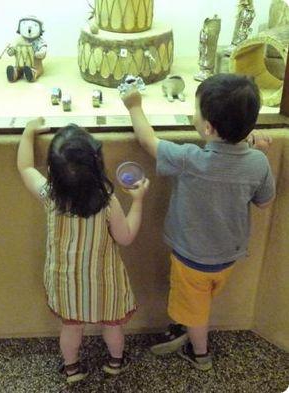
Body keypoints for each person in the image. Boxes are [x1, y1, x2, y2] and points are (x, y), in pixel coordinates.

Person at [121, 73, 275, 371]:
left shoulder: (189, 159)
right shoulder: (258, 163)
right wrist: (251, 147)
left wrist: (134, 106)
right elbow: (265, 201)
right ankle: (187, 322)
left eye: (196, 111)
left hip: (192, 261)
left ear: (207, 127)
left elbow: (147, 140)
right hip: (228, 257)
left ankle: (199, 353)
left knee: (196, 311)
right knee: (200, 300)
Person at [17, 118, 149, 384]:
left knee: (71, 327)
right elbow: (125, 237)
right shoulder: (108, 202)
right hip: (105, 283)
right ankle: (115, 362)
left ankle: (72, 368)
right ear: (98, 165)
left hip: (67, 286)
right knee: (113, 326)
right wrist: (138, 201)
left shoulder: (50, 196)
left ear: (53, 171)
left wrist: (28, 132)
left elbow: (25, 167)